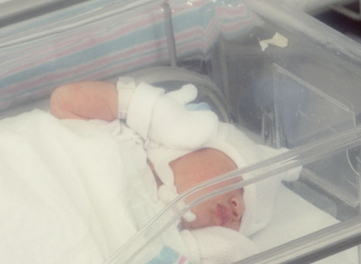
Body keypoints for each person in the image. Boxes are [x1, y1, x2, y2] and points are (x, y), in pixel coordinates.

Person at [49, 77, 262, 235]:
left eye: (244, 220)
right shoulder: (125, 139)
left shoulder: (165, 234)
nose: (239, 207)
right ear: (192, 142)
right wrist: (147, 109)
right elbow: (62, 102)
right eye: (237, 182)